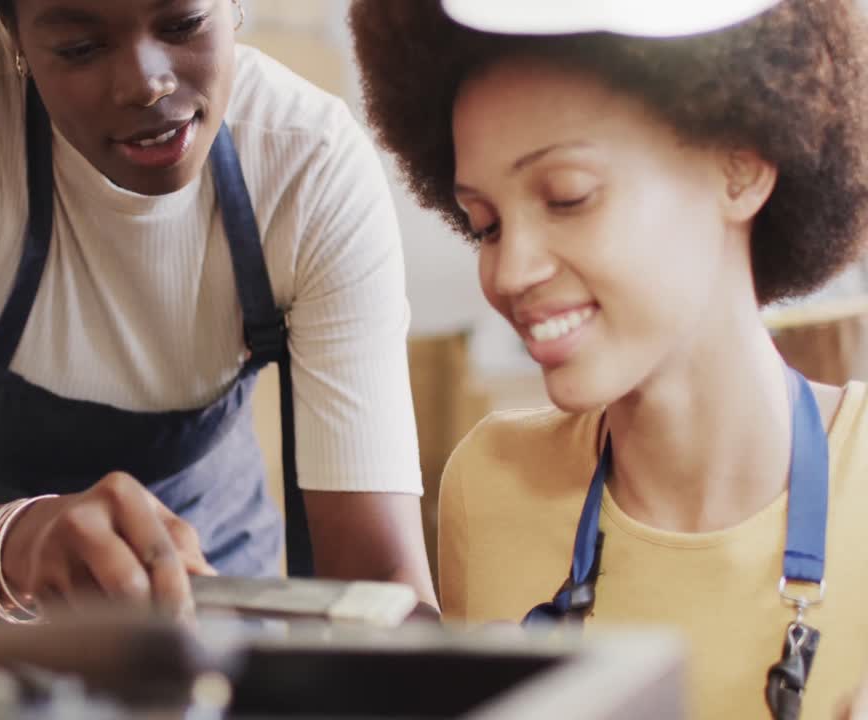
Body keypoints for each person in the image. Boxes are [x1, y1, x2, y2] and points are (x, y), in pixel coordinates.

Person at [0, 0, 435, 623]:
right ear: (14, 37)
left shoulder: (308, 163)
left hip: (216, 597)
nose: (148, 83)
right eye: (80, 47)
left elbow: (379, 589)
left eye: (183, 23)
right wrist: (22, 543)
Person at [351, 0, 868, 717]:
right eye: (488, 225)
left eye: (568, 197)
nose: (510, 272)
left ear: (741, 168)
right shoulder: (491, 488)